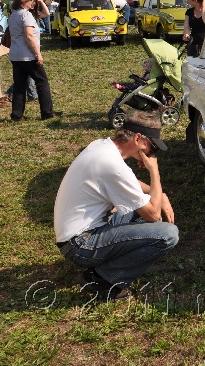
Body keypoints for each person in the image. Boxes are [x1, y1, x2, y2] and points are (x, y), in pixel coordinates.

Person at [54, 109, 178, 301]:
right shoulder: (113, 165)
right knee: (168, 234)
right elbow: (153, 214)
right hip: (80, 245)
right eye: (151, 148)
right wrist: (155, 171)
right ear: (138, 139)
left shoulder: (102, 147)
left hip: (78, 235)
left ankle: (104, 268)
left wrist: (160, 194)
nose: (151, 154)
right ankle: (102, 279)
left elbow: (131, 185)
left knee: (143, 208)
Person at [8, 0, 61, 121]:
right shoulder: (25, 15)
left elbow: (46, 13)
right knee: (42, 82)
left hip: (15, 55)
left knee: (19, 85)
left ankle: (16, 115)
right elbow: (29, 36)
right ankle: (47, 112)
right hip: (28, 55)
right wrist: (38, 54)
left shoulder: (13, 15)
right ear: (24, 1)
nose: (33, 2)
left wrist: (40, 1)